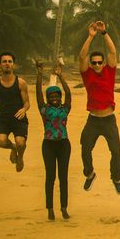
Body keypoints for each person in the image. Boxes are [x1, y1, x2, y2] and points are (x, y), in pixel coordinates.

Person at [78, 21, 120, 194]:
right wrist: (90, 36)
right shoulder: (87, 73)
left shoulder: (109, 71)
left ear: (104, 63)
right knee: (85, 148)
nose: (97, 65)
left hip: (109, 120)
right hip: (93, 120)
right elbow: (82, 56)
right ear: (91, 64)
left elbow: (112, 51)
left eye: (99, 62)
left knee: (116, 151)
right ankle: (89, 174)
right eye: (94, 62)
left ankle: (117, 179)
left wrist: (104, 33)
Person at [0, 52, 30, 172]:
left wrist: (24, 109)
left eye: (10, 61)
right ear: (0, 65)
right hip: (2, 118)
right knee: (1, 142)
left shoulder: (21, 83)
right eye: (4, 61)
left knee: (21, 143)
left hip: (19, 118)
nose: (7, 64)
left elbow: (27, 103)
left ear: (13, 65)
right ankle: (13, 148)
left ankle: (20, 158)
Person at [35, 62, 71, 220]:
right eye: (52, 96)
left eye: (57, 96)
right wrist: (39, 73)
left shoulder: (65, 108)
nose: (55, 98)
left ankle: (63, 207)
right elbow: (37, 93)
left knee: (63, 177)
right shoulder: (43, 109)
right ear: (48, 98)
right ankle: (50, 208)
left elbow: (69, 93)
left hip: (63, 144)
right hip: (48, 145)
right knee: (50, 177)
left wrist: (60, 75)